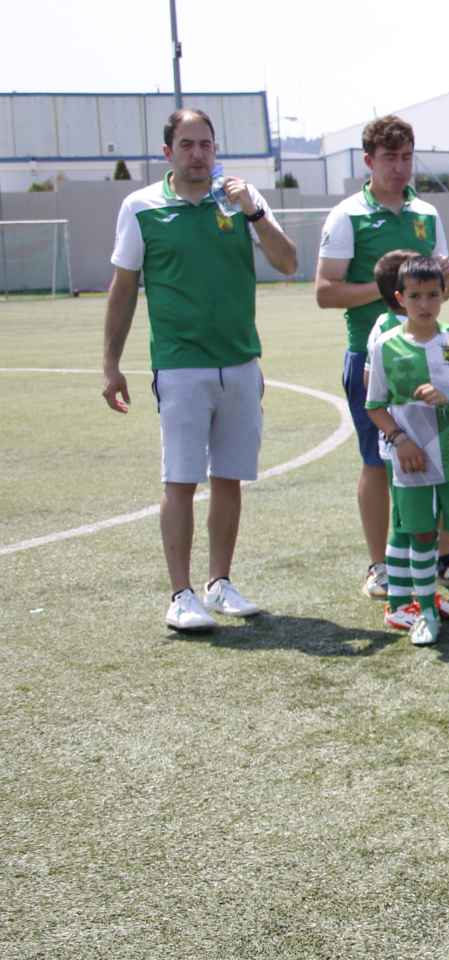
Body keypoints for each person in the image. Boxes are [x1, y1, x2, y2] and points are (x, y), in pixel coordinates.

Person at [101, 107, 299, 631]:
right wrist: (111, 364)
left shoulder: (242, 200)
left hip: (239, 362)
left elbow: (288, 262)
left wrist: (254, 212)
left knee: (230, 476)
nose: (197, 155)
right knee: (180, 480)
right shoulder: (140, 207)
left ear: (216, 149)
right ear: (168, 152)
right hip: (180, 366)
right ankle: (180, 594)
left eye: (205, 145)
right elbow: (123, 290)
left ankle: (220, 583)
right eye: (186, 145)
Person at [315, 115, 449, 600]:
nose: (400, 168)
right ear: (368, 161)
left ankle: (443, 557)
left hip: (430, 356)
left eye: (406, 157)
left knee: (440, 457)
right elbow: (325, 292)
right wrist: (390, 290)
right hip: (373, 356)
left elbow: (444, 289)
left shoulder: (426, 213)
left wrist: (440, 280)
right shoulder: (346, 216)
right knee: (376, 462)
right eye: (389, 158)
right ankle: (379, 565)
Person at [364, 257, 449, 648]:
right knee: (422, 536)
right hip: (412, 461)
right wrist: (399, 439)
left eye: (433, 296)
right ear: (400, 298)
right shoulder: (386, 346)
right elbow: (374, 405)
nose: (425, 304)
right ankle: (424, 612)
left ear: (443, 296)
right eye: (416, 296)